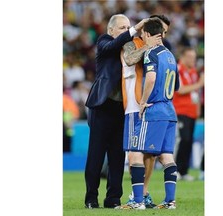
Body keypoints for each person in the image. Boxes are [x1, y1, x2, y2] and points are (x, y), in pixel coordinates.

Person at [84, 14, 149, 209]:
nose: (127, 30)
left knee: (117, 157)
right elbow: (112, 46)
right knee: (96, 155)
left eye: (127, 26)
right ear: (110, 30)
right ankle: (90, 198)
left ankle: (113, 198)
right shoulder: (104, 42)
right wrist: (135, 28)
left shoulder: (131, 47)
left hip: (122, 109)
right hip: (102, 106)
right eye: (122, 27)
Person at [116, 18, 179, 210]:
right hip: (170, 111)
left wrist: (143, 101)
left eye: (143, 34)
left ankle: (138, 201)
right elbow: (176, 85)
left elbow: (150, 77)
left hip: (154, 109)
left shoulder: (151, 52)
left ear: (148, 34)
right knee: (166, 156)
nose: (141, 36)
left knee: (135, 152)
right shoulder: (170, 55)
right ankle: (170, 202)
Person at [172, 48, 204, 181]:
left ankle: (184, 171)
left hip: (191, 113)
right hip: (180, 111)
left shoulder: (192, 72)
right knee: (182, 140)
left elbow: (195, 94)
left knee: (189, 141)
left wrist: (197, 109)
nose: (193, 60)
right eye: (190, 57)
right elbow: (181, 89)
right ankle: (175, 170)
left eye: (194, 57)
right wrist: (199, 84)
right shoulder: (178, 70)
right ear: (183, 56)